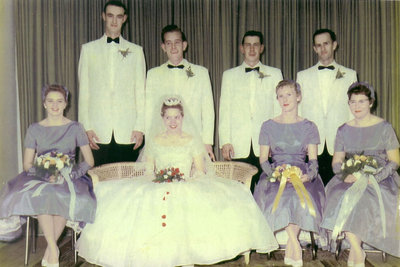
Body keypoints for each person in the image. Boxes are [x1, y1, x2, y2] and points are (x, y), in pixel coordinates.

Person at [76, 96, 278, 267]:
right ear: (162, 118)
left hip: (186, 183)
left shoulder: (191, 140)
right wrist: (159, 178)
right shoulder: (154, 140)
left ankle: (187, 255)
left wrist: (184, 179)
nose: (173, 122)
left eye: (177, 117)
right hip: (158, 183)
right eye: (168, 117)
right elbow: (147, 169)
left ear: (183, 118)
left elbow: (200, 171)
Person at [0, 85, 96, 267]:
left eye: (59, 101)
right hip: (40, 173)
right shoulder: (35, 129)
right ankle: (54, 248)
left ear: (66, 104)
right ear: (44, 104)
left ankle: (50, 250)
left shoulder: (76, 127)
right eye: (50, 101)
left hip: (69, 174)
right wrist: (46, 173)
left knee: (62, 194)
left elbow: (89, 160)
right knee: (44, 194)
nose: (55, 105)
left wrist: (75, 172)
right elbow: (28, 163)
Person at [321, 82, 400, 267]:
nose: (356, 106)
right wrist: (343, 175)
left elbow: (395, 161)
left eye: (361, 101)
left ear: (371, 102)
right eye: (353, 102)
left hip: (381, 178)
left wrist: (373, 178)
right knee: (337, 196)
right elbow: (337, 161)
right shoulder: (343, 129)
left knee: (363, 199)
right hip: (350, 176)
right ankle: (357, 249)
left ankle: (355, 252)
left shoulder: (385, 127)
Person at [253, 80, 326, 267]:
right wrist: (275, 174)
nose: (284, 99)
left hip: (302, 173)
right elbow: (263, 160)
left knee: (301, 194)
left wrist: (308, 176)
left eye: (289, 94)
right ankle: (294, 242)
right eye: (280, 96)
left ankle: (291, 242)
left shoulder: (309, 126)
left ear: (298, 97)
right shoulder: (267, 126)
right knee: (282, 194)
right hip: (275, 173)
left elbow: (313, 161)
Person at [78, 0, 146, 166]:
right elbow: (84, 93)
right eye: (110, 16)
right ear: (103, 17)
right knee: (99, 183)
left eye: (119, 16)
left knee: (127, 185)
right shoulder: (88, 50)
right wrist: (85, 128)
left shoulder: (136, 51)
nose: (114, 21)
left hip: (128, 131)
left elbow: (141, 93)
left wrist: (140, 127)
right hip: (97, 132)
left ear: (125, 19)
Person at [219, 30, 283, 190]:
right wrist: (225, 141)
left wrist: (274, 142)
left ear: (262, 48)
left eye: (256, 45)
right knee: (240, 193)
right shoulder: (229, 76)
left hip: (265, 146)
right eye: (248, 45)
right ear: (242, 48)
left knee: (268, 191)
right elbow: (224, 110)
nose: (252, 49)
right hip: (238, 144)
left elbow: (279, 110)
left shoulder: (275, 74)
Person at [296, 28, 357, 185]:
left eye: (326, 44)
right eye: (319, 45)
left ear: (334, 45)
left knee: (337, 191)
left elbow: (354, 110)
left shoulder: (350, 75)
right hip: (312, 145)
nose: (323, 48)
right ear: (314, 48)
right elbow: (299, 111)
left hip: (339, 145)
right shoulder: (302, 76)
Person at [145, 24, 215, 160]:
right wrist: (150, 143)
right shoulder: (153, 74)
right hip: (163, 141)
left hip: (194, 141)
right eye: (168, 43)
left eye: (177, 43)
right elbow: (149, 111)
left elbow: (208, 110)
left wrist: (207, 142)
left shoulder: (201, 73)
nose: (173, 47)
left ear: (184, 45)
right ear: (163, 47)